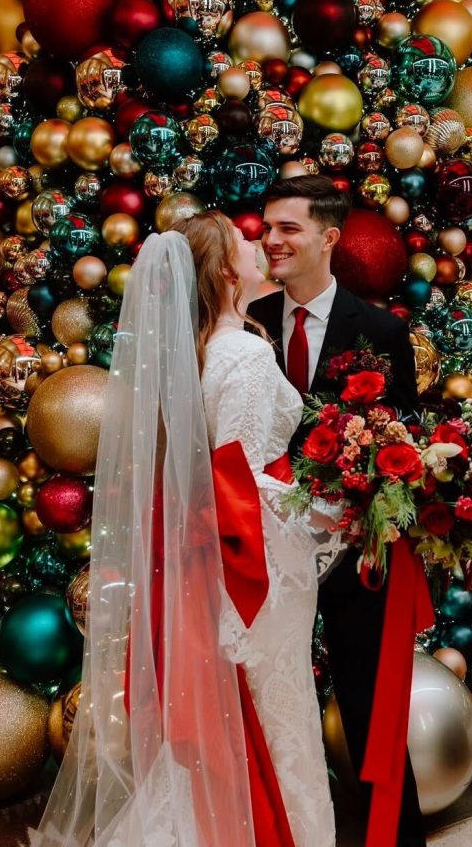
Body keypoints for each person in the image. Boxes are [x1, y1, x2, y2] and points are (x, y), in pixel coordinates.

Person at [35, 213, 341, 847]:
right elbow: (243, 482)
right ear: (228, 272)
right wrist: (333, 505)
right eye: (246, 243)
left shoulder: (195, 353)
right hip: (257, 569)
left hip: (216, 563)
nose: (260, 248)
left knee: (238, 719)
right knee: (277, 720)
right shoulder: (248, 354)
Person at [249, 174, 427, 847]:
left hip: (354, 551)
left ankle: (395, 835)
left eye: (287, 228)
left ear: (327, 237)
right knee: (271, 697)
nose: (270, 240)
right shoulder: (250, 324)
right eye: (266, 228)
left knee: (368, 698)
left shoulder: (380, 329)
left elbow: (402, 438)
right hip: (265, 551)